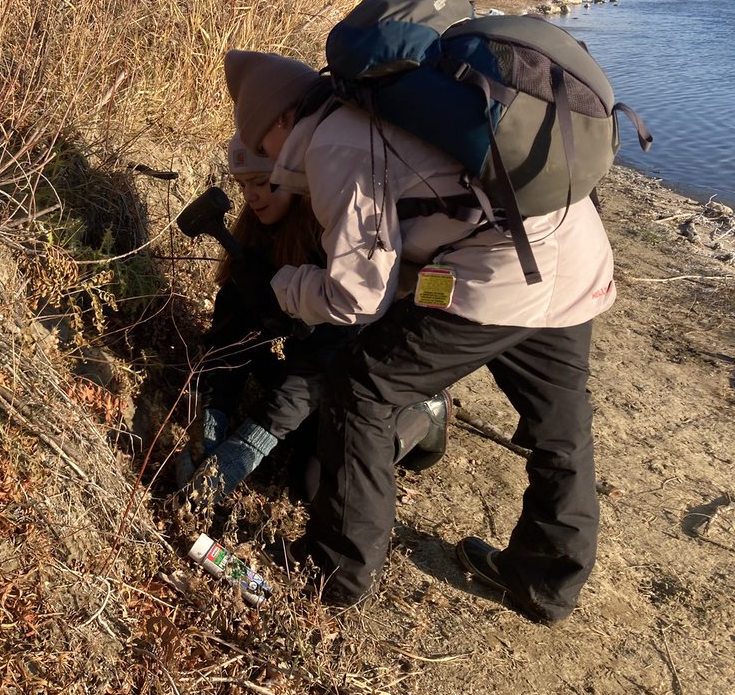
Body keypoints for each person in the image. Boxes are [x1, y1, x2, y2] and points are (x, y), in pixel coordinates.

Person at [225, 48, 617, 624]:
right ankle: (546, 582)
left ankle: (336, 572)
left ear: (280, 120)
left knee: (362, 386)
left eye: (261, 142)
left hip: (506, 269)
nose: (267, 156)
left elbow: (357, 298)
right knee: (561, 425)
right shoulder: (371, 111)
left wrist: (286, 286)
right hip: (571, 244)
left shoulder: (333, 144)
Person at [177, 132, 450, 510]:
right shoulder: (253, 251)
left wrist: (250, 442)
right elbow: (229, 340)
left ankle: (423, 411)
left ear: (293, 178)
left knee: (314, 484)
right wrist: (212, 417)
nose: (251, 195)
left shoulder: (337, 249)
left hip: (362, 370)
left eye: (262, 182)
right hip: (315, 366)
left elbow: (319, 364)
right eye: (242, 186)